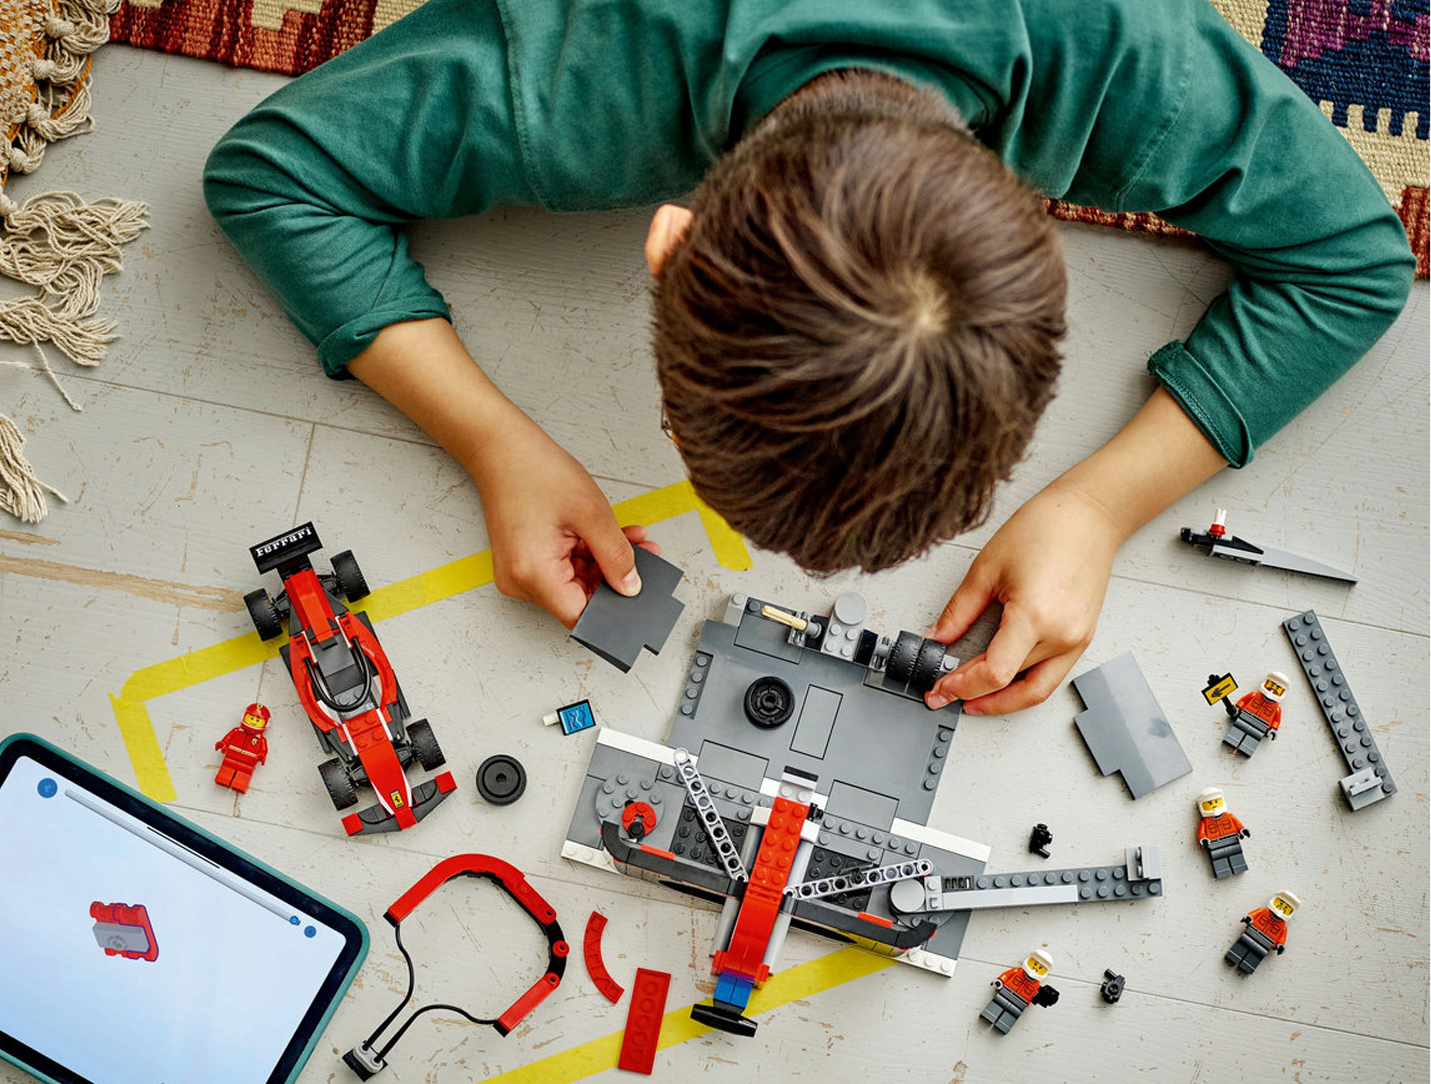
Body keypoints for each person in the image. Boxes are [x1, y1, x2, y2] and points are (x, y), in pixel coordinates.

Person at [202, 0, 1414, 715]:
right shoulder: (573, 70)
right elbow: (267, 178)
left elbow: (1359, 265)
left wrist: (1100, 507)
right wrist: (491, 439)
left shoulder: (1121, 51)